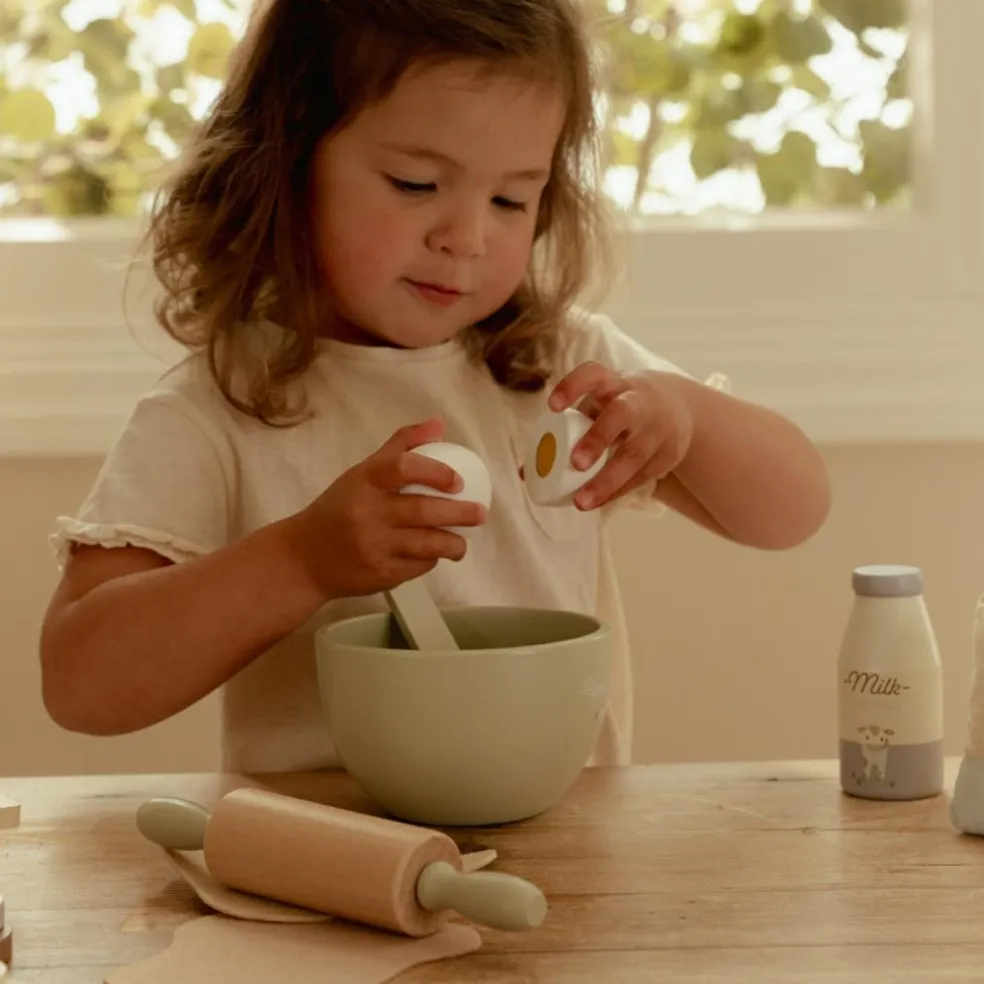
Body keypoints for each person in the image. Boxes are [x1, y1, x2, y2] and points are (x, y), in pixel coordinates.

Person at [38, 0, 831, 774]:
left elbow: (794, 511)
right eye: (416, 183)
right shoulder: (219, 406)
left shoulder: (557, 366)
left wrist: (685, 416)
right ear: (287, 160)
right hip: (321, 847)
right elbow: (81, 684)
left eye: (511, 199)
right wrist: (302, 560)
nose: (467, 237)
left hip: (566, 845)